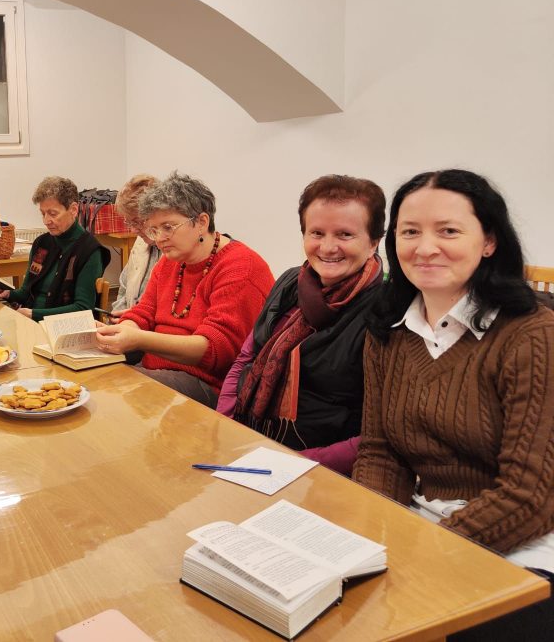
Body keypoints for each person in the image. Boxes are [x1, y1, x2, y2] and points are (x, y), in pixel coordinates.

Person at [352, 169, 554, 638]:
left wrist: (426, 554)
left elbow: (531, 495)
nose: (425, 248)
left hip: (525, 541)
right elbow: (380, 453)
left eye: (447, 231)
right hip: (423, 524)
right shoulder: (387, 329)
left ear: (489, 242)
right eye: (410, 232)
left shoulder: (533, 336)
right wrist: (369, 538)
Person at [216, 175, 385, 475]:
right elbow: (246, 358)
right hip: (252, 446)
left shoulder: (386, 311)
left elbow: (379, 433)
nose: (328, 247)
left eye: (345, 235)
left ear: (374, 242)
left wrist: (291, 464)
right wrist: (225, 426)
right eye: (317, 232)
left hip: (322, 470)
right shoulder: (290, 281)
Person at [96, 172, 273, 406]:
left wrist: (137, 339)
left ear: (201, 222)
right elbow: (143, 313)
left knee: (114, 390)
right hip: (158, 372)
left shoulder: (241, 267)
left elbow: (214, 350)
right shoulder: (171, 261)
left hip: (209, 385)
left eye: (168, 227)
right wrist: (121, 330)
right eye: (153, 230)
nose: (159, 239)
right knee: (94, 381)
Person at [0, 176, 110, 320]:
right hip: (32, 319)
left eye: (53, 214)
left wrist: (34, 314)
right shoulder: (41, 244)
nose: (46, 221)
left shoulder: (90, 250)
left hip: (62, 327)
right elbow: (26, 292)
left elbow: (83, 308)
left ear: (73, 209)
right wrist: (7, 293)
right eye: (43, 213)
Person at [111, 174, 162, 314]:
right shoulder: (141, 244)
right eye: (129, 222)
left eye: (137, 222)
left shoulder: (174, 250)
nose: (133, 230)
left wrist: (131, 317)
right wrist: (116, 316)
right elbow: (123, 290)